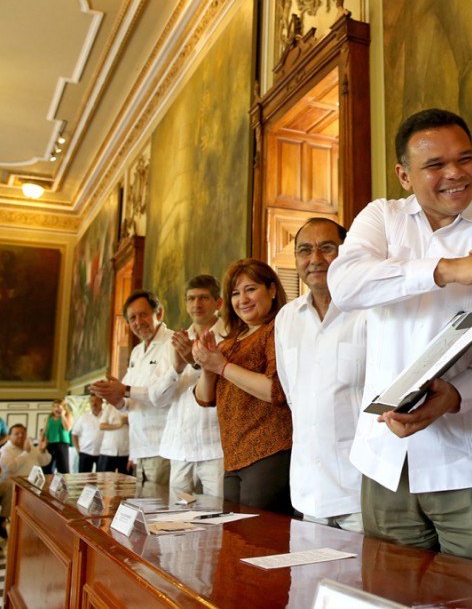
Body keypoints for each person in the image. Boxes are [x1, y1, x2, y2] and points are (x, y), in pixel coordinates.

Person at [326, 109, 472, 573]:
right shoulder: (381, 220)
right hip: (386, 464)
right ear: (404, 175)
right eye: (435, 165)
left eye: (465, 159)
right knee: (392, 598)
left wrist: (459, 394)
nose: (455, 174)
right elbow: (346, 285)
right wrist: (448, 269)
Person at [275, 218, 367, 532]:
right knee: (308, 582)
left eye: (327, 248)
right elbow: (292, 396)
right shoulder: (287, 318)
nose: (315, 259)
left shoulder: (368, 310)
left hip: (360, 494)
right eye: (305, 250)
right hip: (306, 494)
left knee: (360, 582)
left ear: (346, 253)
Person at [193, 259, 293, 513]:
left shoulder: (276, 329)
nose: (243, 299)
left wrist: (221, 367)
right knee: (236, 537)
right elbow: (204, 398)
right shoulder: (230, 342)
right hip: (233, 455)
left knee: (260, 538)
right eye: (235, 293)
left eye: (251, 289)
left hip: (269, 450)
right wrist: (207, 364)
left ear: (271, 290)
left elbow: (276, 390)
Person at [149, 275, 226, 497]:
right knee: (176, 520)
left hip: (215, 447)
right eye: (191, 299)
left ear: (218, 303)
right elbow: (157, 399)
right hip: (179, 447)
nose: (196, 304)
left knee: (217, 518)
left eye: (203, 298)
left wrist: (197, 362)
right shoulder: (173, 343)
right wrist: (177, 366)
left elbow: (230, 390)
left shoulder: (230, 337)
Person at [91, 290, 173, 486]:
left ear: (159, 314)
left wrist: (124, 390)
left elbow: (162, 394)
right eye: (132, 318)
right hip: (139, 448)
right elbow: (127, 403)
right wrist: (114, 399)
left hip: (162, 447)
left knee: (161, 512)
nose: (138, 322)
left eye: (143, 314)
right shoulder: (136, 352)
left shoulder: (172, 343)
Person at [0, 424, 50, 530]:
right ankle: (7, 523)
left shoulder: (30, 446)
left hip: (34, 485)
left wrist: (43, 451)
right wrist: (26, 453)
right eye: (17, 434)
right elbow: (10, 468)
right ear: (10, 436)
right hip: (15, 485)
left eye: (23, 433)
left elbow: (45, 462)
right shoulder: (5, 450)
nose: (20, 436)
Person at [71, 394, 103, 473]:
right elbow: (74, 433)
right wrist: (78, 449)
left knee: (103, 478)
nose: (94, 403)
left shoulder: (107, 415)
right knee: (83, 478)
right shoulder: (84, 417)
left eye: (96, 401)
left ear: (101, 402)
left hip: (102, 452)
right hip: (85, 452)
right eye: (92, 401)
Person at [96, 401, 129, 474]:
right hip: (108, 451)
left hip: (125, 452)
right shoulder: (109, 408)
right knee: (103, 480)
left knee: (125, 481)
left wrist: (128, 422)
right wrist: (119, 425)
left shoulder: (131, 407)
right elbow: (102, 426)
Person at [42, 399, 73, 474]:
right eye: (55, 407)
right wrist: (43, 443)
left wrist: (62, 415)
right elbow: (45, 431)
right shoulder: (49, 417)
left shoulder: (68, 416)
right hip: (49, 444)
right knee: (46, 467)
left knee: (63, 469)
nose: (57, 409)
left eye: (59, 407)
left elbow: (68, 428)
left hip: (62, 444)